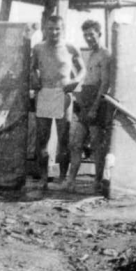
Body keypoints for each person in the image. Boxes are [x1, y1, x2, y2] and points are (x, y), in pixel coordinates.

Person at [30, 15, 85, 187]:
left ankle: (62, 178)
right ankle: (44, 179)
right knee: (42, 140)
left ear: (63, 29)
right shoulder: (38, 48)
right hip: (45, 93)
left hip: (63, 94)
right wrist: (34, 79)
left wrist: (76, 81)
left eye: (57, 29)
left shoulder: (70, 48)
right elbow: (32, 68)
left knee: (64, 140)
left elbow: (82, 69)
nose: (54, 32)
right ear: (44, 29)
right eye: (50, 28)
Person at [63, 19, 113, 192]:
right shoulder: (91, 54)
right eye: (85, 35)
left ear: (99, 34)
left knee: (97, 144)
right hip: (85, 100)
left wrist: (95, 107)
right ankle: (70, 181)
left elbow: (105, 83)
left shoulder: (105, 55)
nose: (88, 38)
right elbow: (87, 79)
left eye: (91, 34)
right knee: (75, 143)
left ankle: (97, 182)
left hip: (98, 102)